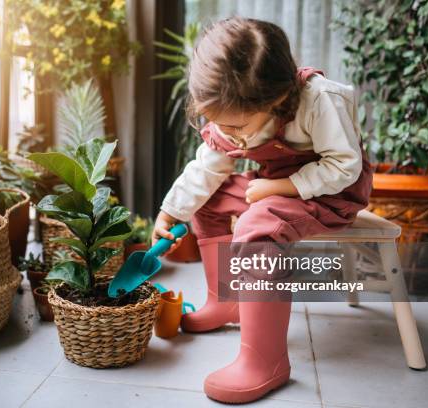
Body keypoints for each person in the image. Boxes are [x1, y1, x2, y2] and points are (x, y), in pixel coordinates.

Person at [151, 17, 373, 404]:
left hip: (331, 194)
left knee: (257, 225)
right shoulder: (232, 112)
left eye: (238, 127)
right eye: (219, 124)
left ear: (275, 98)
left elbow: (344, 166)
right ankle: (228, 300)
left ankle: (265, 361)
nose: (230, 134)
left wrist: (281, 187)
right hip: (273, 187)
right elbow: (207, 167)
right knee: (210, 200)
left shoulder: (319, 100)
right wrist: (171, 213)